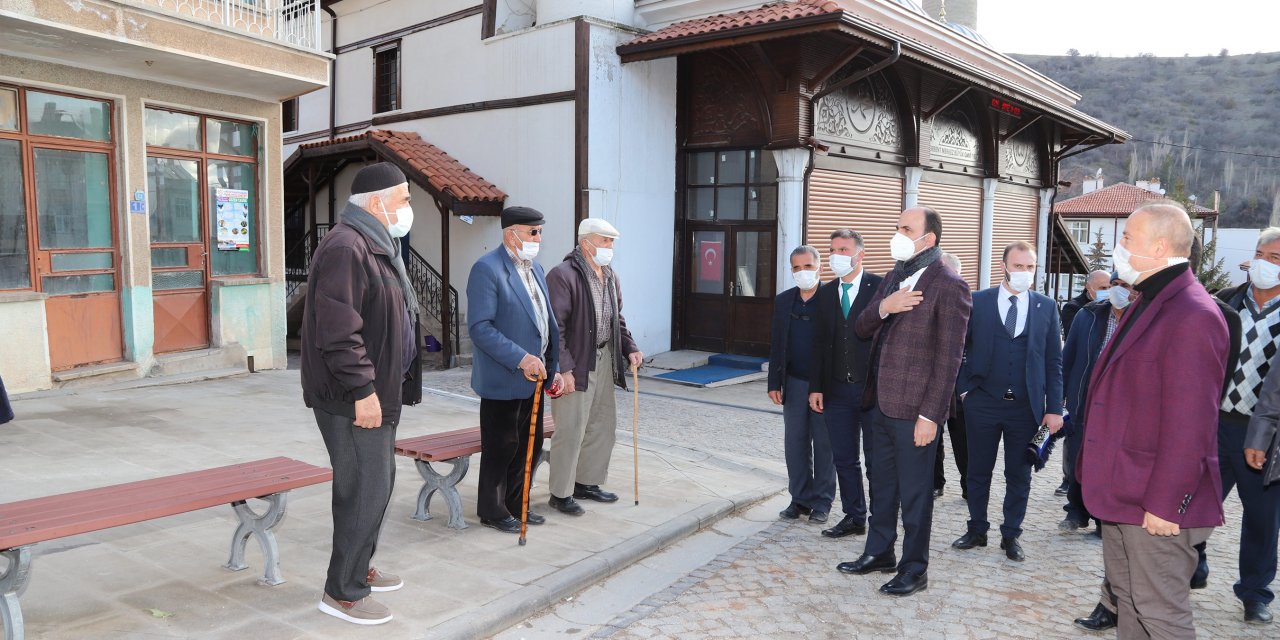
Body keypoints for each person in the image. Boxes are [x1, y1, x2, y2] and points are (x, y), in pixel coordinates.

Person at [1078, 202, 1229, 639]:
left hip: (1154, 504)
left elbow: (1191, 424)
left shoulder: (1192, 314)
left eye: (1127, 238)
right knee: (1128, 601)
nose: (1118, 247)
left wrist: (1167, 502)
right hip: (1123, 491)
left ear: (1159, 246)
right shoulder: (1150, 299)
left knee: (1160, 614)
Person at [300, 162, 422, 625]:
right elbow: (338, 332)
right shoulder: (347, 246)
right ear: (376, 203)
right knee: (362, 490)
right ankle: (343, 591)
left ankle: (359, 567)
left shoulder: (376, 243)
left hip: (374, 394)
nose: (409, 209)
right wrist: (364, 390)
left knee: (378, 484)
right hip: (352, 397)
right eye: (405, 199)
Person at [836, 207, 972, 597]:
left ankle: (915, 569)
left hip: (915, 412)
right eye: (897, 226)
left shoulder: (949, 284)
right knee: (881, 485)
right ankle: (879, 552)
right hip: (878, 402)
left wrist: (931, 415)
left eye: (905, 228)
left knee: (914, 493)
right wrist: (885, 306)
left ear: (928, 239)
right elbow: (862, 325)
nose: (897, 234)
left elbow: (949, 359)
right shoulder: (896, 274)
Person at [952, 241, 1064, 563]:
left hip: (1026, 408)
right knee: (978, 470)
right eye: (1018, 266)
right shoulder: (979, 301)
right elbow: (959, 348)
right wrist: (964, 391)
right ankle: (976, 529)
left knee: (1019, 474)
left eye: (1029, 267)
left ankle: (1011, 534)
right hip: (982, 403)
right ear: (1004, 266)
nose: (1024, 273)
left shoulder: (1046, 307)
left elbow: (1053, 362)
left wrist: (1054, 407)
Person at [1200, 227, 1280, 625]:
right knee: (1197, 502)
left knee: (1262, 519)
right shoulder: (1225, 304)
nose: (1266, 264)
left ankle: (1254, 593)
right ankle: (1192, 564)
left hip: (1265, 436)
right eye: (1262, 254)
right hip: (1215, 424)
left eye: (1276, 259)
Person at [468, 206, 563, 534]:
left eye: (540, 232)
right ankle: (492, 510)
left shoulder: (534, 270)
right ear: (511, 234)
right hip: (504, 377)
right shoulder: (487, 269)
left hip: (535, 379)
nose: (539, 238)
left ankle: (515, 503)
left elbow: (545, 323)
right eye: (532, 232)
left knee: (529, 444)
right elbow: (480, 328)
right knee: (502, 446)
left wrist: (555, 367)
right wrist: (521, 358)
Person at [545, 218, 642, 516]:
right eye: (605, 241)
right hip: (576, 362)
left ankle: (586, 482)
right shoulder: (563, 275)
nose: (610, 248)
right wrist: (564, 369)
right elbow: (555, 327)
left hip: (604, 358)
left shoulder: (610, 275)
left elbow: (617, 320)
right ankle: (560, 493)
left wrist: (630, 347)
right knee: (571, 428)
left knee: (602, 424)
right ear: (586, 242)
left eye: (612, 242)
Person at [808, 229, 883, 537]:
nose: (836, 255)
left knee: (876, 460)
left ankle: (882, 520)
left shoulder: (879, 288)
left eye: (843, 249)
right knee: (844, 457)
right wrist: (816, 386)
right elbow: (818, 343)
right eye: (832, 250)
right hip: (837, 389)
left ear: (859, 254)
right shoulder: (825, 293)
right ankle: (854, 515)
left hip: (873, 390)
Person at [1061, 273, 1134, 535]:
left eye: (1125, 286)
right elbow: (1068, 356)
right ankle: (1076, 511)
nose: (1118, 290)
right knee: (1079, 453)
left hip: (1121, 405)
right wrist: (1060, 396)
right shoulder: (1088, 315)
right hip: (1085, 398)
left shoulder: (1142, 319)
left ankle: (1104, 519)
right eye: (1114, 285)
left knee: (1109, 463)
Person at [769, 246, 837, 523]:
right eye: (796, 268)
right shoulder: (784, 301)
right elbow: (776, 344)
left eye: (808, 266)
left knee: (824, 445)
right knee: (794, 442)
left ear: (819, 267)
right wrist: (775, 381)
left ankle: (822, 502)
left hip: (824, 385)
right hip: (793, 384)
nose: (802, 272)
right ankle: (800, 498)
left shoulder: (833, 300)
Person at [1055, 269, 1111, 496]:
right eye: (1103, 288)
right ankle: (1070, 480)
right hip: (1081, 385)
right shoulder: (1076, 310)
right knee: (1074, 436)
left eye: (1111, 287)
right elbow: (1071, 348)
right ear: (1089, 290)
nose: (1108, 293)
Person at [934, 253, 969, 500]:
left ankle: (969, 485)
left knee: (963, 440)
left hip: (961, 386)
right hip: (934, 383)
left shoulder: (970, 303)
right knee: (933, 438)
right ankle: (936, 482)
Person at [1060, 269, 1111, 336]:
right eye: (1103, 288)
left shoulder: (1112, 306)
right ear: (1088, 287)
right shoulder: (1072, 307)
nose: (1107, 291)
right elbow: (1075, 335)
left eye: (1110, 287)